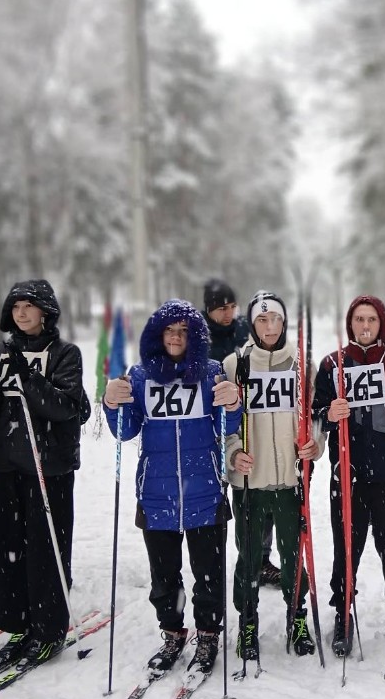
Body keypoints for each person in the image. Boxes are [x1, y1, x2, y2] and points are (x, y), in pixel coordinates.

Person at [105, 299, 242, 674]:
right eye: (169, 330)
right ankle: (172, 632)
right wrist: (112, 402)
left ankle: (208, 635)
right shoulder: (139, 376)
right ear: (157, 335)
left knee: (208, 573)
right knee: (164, 576)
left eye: (183, 331)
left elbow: (226, 428)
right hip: (157, 493)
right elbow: (126, 429)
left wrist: (233, 404)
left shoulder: (211, 372)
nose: (176, 337)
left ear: (195, 336)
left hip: (205, 490)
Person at [0, 280, 89, 667]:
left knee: (46, 549)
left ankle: (49, 627)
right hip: (9, 462)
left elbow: (66, 406)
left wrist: (28, 377)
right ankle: (18, 624)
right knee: (9, 548)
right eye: (16, 307)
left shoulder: (65, 353)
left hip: (48, 466)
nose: (21, 313)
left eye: (29, 306)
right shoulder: (1, 352)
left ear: (46, 312)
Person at [311, 295, 385, 657]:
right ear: (350, 323)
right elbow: (314, 414)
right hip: (348, 473)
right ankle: (343, 612)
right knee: (347, 546)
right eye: (358, 319)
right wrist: (330, 412)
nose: (365, 326)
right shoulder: (333, 364)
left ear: (381, 323)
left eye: (371, 320)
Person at [223, 291, 320, 660]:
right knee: (248, 557)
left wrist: (313, 444)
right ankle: (247, 622)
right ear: (252, 323)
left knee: (293, 557)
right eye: (262, 320)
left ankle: (297, 618)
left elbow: (313, 417)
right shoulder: (235, 364)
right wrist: (233, 452)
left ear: (283, 323)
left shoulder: (300, 364)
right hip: (250, 482)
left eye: (275, 319)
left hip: (289, 482)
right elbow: (225, 422)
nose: (269, 326)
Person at [203, 279, 277, 585]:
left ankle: (262, 557)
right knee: (241, 497)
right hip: (216, 419)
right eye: (221, 309)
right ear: (209, 310)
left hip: (251, 416)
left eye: (232, 307)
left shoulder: (245, 329)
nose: (228, 314)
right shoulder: (202, 337)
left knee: (264, 492)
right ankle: (246, 558)